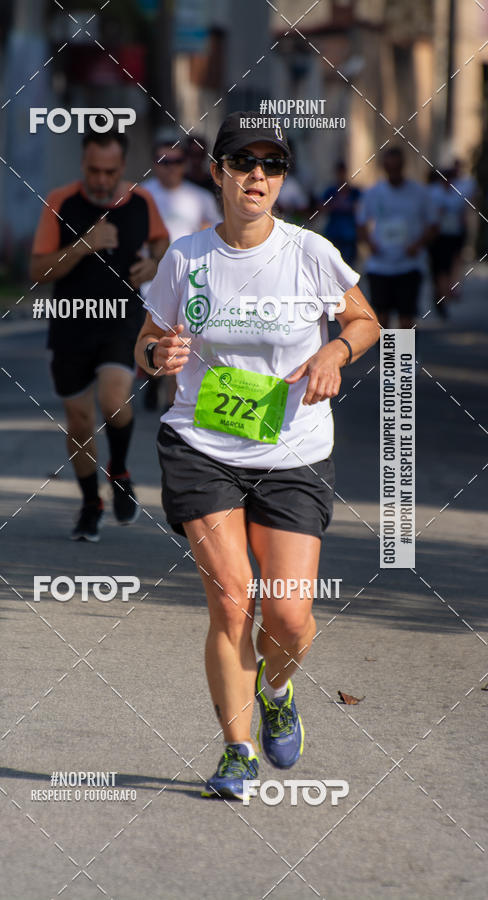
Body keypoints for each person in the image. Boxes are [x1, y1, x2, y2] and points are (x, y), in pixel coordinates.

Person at [135, 111, 379, 799]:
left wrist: (336, 349)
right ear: (218, 172)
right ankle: (237, 750)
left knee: (290, 616)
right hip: (201, 445)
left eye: (272, 166)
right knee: (233, 603)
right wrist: (158, 354)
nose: (258, 177)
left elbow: (364, 320)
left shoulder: (309, 252)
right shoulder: (187, 257)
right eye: (244, 163)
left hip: (293, 448)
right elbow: (149, 339)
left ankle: (277, 689)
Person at [30, 130, 169, 542]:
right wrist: (83, 246)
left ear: (122, 167)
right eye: (94, 170)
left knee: (113, 400)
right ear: (82, 164)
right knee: (78, 420)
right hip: (70, 323)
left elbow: (162, 242)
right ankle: (91, 504)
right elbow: (38, 271)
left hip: (122, 320)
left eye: (110, 171)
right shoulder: (60, 202)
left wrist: (155, 264)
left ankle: (120, 469)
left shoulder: (142, 202)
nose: (102, 179)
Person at [142, 134, 219, 410]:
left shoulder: (199, 197)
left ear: (184, 164)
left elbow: (216, 233)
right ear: (154, 164)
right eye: (164, 161)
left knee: (180, 337)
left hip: (189, 280)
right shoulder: (141, 194)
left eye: (176, 161)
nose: (170, 166)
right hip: (148, 280)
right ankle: (153, 381)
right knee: (153, 334)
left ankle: (174, 399)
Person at [357, 145, 439, 329]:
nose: (393, 172)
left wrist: (417, 245)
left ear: (403, 166)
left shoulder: (419, 193)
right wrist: (370, 244)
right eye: (389, 168)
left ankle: (402, 357)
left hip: (408, 265)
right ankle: (387, 357)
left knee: (405, 319)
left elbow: (433, 224)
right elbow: (361, 223)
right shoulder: (373, 193)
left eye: (396, 167)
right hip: (380, 266)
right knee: (382, 318)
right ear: (384, 168)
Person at [427, 167, 468, 318]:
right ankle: (440, 294)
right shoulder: (433, 193)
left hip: (452, 235)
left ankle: (444, 295)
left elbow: (462, 214)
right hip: (437, 237)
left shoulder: (457, 194)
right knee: (438, 269)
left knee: (449, 267)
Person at [319, 160, 361, 267]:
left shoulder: (354, 192)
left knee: (348, 267)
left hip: (349, 236)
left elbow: (360, 209)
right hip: (334, 234)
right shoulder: (330, 191)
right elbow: (322, 208)